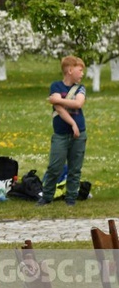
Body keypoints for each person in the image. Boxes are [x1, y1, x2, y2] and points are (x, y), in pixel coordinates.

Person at [37, 55, 87, 207]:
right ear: (70, 70)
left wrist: (57, 100)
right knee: (54, 167)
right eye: (80, 70)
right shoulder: (56, 86)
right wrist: (72, 123)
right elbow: (59, 109)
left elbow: (78, 104)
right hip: (61, 134)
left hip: (79, 134)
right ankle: (47, 196)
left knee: (75, 168)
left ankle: (71, 198)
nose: (82, 74)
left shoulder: (80, 88)